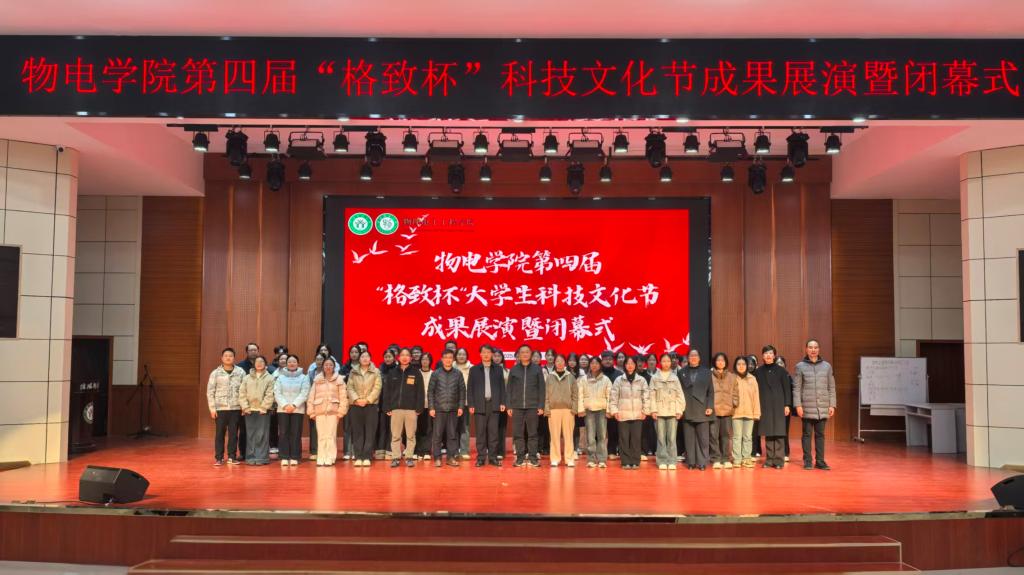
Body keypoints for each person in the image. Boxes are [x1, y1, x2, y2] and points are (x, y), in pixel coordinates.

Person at [792, 339, 836, 471]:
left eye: (815, 347)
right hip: (806, 406)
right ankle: (808, 461)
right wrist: (798, 405)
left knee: (820, 435)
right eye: (810, 347)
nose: (813, 350)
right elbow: (796, 388)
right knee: (806, 435)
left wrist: (832, 405)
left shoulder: (827, 366)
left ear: (819, 349)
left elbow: (831, 387)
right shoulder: (800, 366)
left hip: (822, 406)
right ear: (806, 349)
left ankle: (820, 461)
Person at [382, 347, 424, 467]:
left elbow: (420, 392)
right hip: (396, 409)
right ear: (398, 357)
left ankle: (409, 457)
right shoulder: (392, 373)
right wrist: (387, 407)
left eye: (407, 355)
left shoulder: (416, 373)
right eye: (402, 355)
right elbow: (387, 392)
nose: (405, 357)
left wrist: (419, 407)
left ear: (410, 358)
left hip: (411, 409)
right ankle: (395, 457)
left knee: (411, 435)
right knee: (395, 435)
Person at [507, 344, 546, 467]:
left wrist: (541, 405)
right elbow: (509, 389)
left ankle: (533, 458)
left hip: (533, 406)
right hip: (517, 406)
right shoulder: (514, 370)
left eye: (527, 352)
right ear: (519, 355)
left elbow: (542, 389)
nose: (524, 354)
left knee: (533, 433)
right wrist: (509, 406)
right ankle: (520, 458)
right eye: (522, 352)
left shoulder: (537, 369)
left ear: (530, 354)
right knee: (518, 433)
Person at [467, 345, 506, 467]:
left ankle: (493, 457)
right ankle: (481, 458)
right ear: (480, 354)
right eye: (483, 352)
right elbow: (470, 388)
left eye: (488, 352)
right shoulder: (474, 369)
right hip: (479, 404)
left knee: (494, 433)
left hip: (494, 404)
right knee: (480, 433)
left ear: (492, 354)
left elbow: (502, 387)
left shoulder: (498, 369)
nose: (486, 354)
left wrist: (502, 402)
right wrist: (471, 404)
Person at [754, 345, 792, 469]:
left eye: (770, 353)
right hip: (765, 405)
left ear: (774, 355)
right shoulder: (758, 372)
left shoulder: (782, 371)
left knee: (779, 432)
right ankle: (769, 459)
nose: (768, 355)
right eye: (766, 353)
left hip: (779, 405)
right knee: (768, 432)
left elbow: (787, 389)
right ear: (762, 356)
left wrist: (787, 405)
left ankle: (779, 460)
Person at [207, 347, 246, 466]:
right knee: (220, 434)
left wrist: (244, 407)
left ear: (234, 358)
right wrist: (212, 408)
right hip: (220, 408)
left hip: (236, 408)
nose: (228, 358)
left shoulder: (240, 372)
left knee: (234, 434)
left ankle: (232, 457)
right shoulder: (215, 373)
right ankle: (219, 458)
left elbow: (244, 390)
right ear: (222, 358)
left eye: (230, 356)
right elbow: (210, 391)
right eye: (226, 356)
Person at [609, 356, 648, 470]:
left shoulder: (641, 380)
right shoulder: (619, 380)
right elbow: (613, 397)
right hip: (623, 414)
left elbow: (646, 397)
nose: (630, 365)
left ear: (635, 365)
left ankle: (635, 461)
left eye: (632, 363)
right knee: (624, 439)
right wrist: (614, 411)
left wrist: (645, 411)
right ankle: (625, 461)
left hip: (637, 414)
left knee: (636, 439)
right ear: (624, 365)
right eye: (628, 363)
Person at [308, 357, 348, 466]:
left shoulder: (339, 379)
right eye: (326, 365)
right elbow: (311, 396)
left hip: (333, 412)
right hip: (319, 411)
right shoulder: (317, 380)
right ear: (323, 366)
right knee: (321, 436)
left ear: (334, 367)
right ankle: (321, 457)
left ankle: (330, 457)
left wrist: (341, 411)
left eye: (330, 365)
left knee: (330, 435)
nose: (328, 367)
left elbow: (343, 397)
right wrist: (311, 411)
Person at [429, 349, 466, 467]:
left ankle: (451, 457)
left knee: (452, 435)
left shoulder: (458, 373)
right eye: (446, 357)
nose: (448, 360)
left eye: (450, 357)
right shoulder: (436, 373)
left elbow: (462, 391)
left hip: (453, 409)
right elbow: (430, 392)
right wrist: (431, 407)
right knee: (437, 435)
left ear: (453, 359)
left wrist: (461, 406)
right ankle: (437, 458)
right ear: (442, 359)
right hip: (439, 409)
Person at [648, 353, 684, 470]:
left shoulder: (675, 378)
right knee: (661, 437)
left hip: (672, 411)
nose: (666, 363)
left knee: (672, 438)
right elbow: (651, 395)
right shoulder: (654, 378)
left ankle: (672, 461)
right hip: (659, 411)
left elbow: (679, 395)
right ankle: (662, 460)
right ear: (660, 362)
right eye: (664, 361)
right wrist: (653, 410)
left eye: (668, 361)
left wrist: (679, 410)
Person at [679, 349, 714, 470]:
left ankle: (702, 462)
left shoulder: (706, 372)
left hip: (702, 408)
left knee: (703, 439)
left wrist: (710, 406)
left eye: (695, 355)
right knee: (689, 438)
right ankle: (691, 462)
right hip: (687, 408)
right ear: (688, 358)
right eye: (691, 355)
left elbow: (711, 391)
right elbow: (678, 392)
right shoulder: (681, 372)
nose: (693, 357)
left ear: (699, 358)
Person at [346, 350, 381, 467]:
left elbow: (377, 387)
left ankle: (367, 456)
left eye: (367, 356)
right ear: (359, 359)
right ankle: (358, 456)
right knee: (357, 431)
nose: (365, 358)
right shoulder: (353, 371)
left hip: (371, 405)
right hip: (356, 405)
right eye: (362, 357)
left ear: (370, 358)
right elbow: (349, 387)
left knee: (370, 432)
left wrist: (367, 400)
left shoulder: (376, 371)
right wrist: (356, 399)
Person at [238, 355, 275, 466]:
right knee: (250, 434)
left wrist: (264, 407)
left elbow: (270, 394)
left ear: (265, 364)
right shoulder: (247, 378)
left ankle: (261, 458)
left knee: (262, 434)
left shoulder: (270, 378)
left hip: (263, 410)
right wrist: (245, 407)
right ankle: (250, 458)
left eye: (261, 361)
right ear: (254, 364)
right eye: (257, 362)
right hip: (249, 410)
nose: (259, 363)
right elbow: (242, 393)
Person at [274, 354, 310, 466]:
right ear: (286, 364)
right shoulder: (280, 377)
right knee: (283, 433)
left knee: (296, 432)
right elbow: (277, 393)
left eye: (294, 362)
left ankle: (295, 456)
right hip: (283, 409)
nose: (292, 364)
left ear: (297, 363)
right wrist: (285, 405)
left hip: (297, 409)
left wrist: (294, 405)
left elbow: (305, 393)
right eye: (289, 362)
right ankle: (284, 456)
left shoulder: (304, 377)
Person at [545, 354, 578, 467]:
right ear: (554, 363)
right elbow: (546, 394)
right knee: (554, 436)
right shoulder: (550, 377)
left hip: (568, 410)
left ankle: (569, 459)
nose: (559, 363)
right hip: (553, 410)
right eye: (557, 361)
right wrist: (547, 408)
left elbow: (575, 394)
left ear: (565, 362)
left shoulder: (571, 377)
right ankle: (555, 458)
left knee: (568, 436)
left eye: (561, 361)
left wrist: (574, 408)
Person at [578, 358, 611, 468]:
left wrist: (609, 410)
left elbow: (610, 396)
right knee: (590, 436)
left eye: (597, 363)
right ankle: (591, 459)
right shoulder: (583, 379)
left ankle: (602, 459)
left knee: (602, 436)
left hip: (602, 410)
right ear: (589, 365)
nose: (594, 365)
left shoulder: (606, 379)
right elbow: (580, 395)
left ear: (600, 365)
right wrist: (580, 409)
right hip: (589, 410)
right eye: (592, 363)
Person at [731, 355, 761, 468]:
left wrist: (756, 413)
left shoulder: (752, 379)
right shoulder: (732, 378)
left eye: (743, 364)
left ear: (747, 366)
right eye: (738, 364)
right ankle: (737, 459)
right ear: (735, 366)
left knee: (748, 437)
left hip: (749, 412)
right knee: (737, 437)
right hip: (736, 413)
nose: (741, 366)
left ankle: (746, 458)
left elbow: (756, 397)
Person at [710, 352, 737, 469]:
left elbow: (735, 392)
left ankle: (726, 458)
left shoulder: (732, 376)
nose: (720, 362)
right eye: (718, 360)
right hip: (714, 411)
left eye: (722, 360)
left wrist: (734, 404)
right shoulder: (709, 376)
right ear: (715, 362)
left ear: (726, 362)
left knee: (726, 435)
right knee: (713, 435)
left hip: (727, 410)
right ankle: (716, 458)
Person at [599, 351, 622, 460]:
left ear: (613, 361)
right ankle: (599, 452)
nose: (607, 361)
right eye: (605, 359)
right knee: (599, 431)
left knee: (613, 430)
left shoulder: (619, 374)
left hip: (613, 406)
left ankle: (612, 451)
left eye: (610, 359)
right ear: (602, 360)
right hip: (600, 406)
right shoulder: (597, 373)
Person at [305, 352, 327, 461]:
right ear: (315, 361)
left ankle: (325, 450)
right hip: (313, 404)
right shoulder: (311, 373)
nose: (319, 361)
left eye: (321, 359)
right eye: (317, 359)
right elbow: (307, 389)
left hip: (325, 404)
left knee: (325, 428)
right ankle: (314, 451)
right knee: (313, 428)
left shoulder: (329, 373)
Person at [377, 348, 398, 459]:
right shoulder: (379, 370)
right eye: (386, 357)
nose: (387, 359)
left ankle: (390, 451)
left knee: (392, 429)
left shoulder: (398, 370)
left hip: (393, 404)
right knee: (382, 428)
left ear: (394, 358)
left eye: (390, 357)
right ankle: (380, 451)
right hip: (381, 404)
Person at [454, 347, 473, 461]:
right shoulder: (451, 366)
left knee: (465, 427)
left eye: (463, 354)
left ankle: (464, 450)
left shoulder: (472, 368)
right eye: (459, 354)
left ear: (467, 356)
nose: (461, 356)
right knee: (453, 427)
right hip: (453, 403)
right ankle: (454, 451)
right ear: (456, 356)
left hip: (466, 402)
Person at [414, 352, 434, 460]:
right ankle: (417, 451)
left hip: (430, 406)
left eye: (427, 359)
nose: (425, 361)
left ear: (430, 361)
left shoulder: (434, 374)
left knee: (428, 429)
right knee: (417, 429)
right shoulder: (416, 373)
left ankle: (426, 451)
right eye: (423, 359)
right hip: (417, 405)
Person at [639, 354, 658, 460]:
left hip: (647, 407)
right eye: (638, 362)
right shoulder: (631, 376)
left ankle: (646, 450)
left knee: (647, 430)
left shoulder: (650, 378)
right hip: (634, 407)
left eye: (642, 362)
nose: (640, 364)